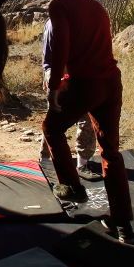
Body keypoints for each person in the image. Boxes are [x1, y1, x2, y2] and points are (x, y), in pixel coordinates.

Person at [41, 0, 134, 244]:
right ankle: (123, 225)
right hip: (110, 82)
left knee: (52, 128)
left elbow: (60, 47)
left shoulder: (59, 6)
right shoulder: (97, 7)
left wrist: (54, 86)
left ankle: (71, 186)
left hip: (84, 82)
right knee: (111, 152)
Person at [39, 14, 101, 182]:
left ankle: (78, 163)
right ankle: (47, 160)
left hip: (68, 77)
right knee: (57, 121)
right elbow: (56, 56)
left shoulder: (60, 20)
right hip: (63, 77)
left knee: (79, 120)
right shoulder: (59, 22)